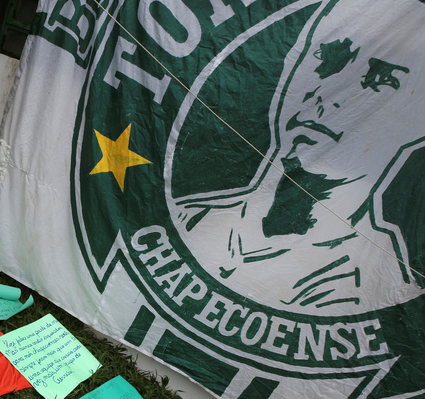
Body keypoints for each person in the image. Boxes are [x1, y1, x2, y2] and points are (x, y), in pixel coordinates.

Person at [173, 0, 425, 315]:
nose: (330, 94)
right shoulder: (190, 217)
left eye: (381, 80)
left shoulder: (375, 293)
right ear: (293, 65)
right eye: (329, 56)